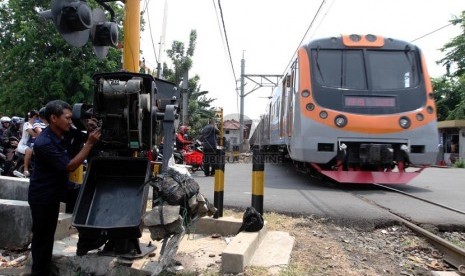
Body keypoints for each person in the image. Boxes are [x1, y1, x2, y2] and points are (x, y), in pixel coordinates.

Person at [28, 100, 101, 276]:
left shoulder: (66, 132)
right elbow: (68, 166)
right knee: (43, 239)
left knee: (86, 198)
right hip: (44, 195)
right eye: (67, 118)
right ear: (53, 118)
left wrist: (90, 129)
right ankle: (39, 272)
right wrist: (89, 144)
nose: (70, 121)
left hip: (60, 187)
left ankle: (87, 241)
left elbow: (85, 137)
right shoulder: (44, 143)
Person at [17, 110, 39, 177]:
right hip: (23, 145)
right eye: (37, 117)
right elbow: (34, 135)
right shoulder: (27, 124)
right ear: (34, 116)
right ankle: (25, 169)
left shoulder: (37, 125)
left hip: (33, 145)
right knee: (29, 150)